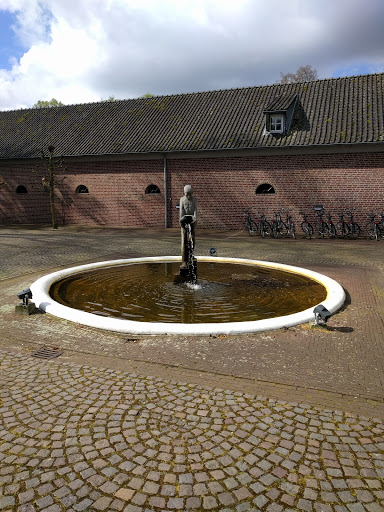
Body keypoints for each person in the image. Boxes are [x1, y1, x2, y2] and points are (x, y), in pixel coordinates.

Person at [179, 185, 197, 267]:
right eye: (186, 194)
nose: (188, 195)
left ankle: (191, 255)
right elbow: (181, 212)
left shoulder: (194, 200)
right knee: (184, 241)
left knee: (192, 239)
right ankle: (184, 260)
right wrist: (181, 220)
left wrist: (195, 219)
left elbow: (195, 212)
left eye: (189, 194)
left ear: (192, 193)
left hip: (192, 222)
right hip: (184, 223)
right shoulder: (182, 200)